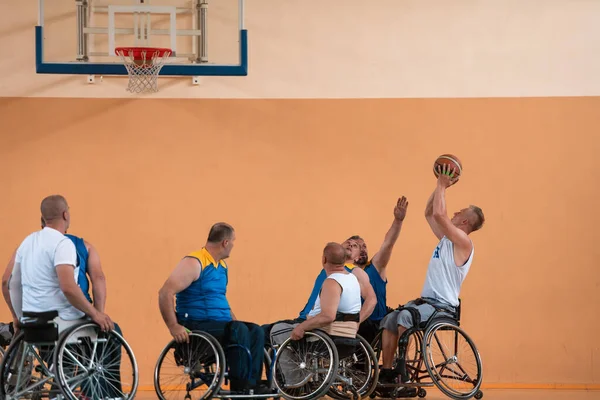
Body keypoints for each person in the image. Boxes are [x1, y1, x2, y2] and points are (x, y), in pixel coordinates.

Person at [379, 164, 485, 388]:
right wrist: (439, 184)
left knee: (406, 317)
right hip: (426, 303)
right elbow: (429, 213)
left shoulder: (464, 243)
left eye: (459, 213)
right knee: (390, 318)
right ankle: (387, 373)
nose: (454, 213)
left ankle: (402, 371)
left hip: (443, 306)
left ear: (465, 222)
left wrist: (442, 184)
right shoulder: (447, 241)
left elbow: (440, 213)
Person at [158, 222, 270, 394]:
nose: (233, 246)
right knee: (238, 329)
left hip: (220, 325)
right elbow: (165, 293)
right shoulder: (194, 262)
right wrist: (173, 326)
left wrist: (235, 321)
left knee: (255, 330)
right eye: (233, 242)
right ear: (225, 242)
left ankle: (252, 384)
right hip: (196, 323)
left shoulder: (222, 267)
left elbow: (220, 300)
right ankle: (240, 385)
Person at [297, 196, 409, 344]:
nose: (361, 248)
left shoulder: (374, 267)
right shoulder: (332, 269)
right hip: (336, 321)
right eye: (353, 244)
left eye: (362, 246)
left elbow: (388, 244)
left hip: (369, 323)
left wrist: (398, 221)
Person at [269, 242, 363, 385]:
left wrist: (302, 327)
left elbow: (328, 316)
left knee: (276, 331)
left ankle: (294, 381)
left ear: (324, 259)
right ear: (344, 260)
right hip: (348, 337)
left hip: (325, 337)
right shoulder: (353, 279)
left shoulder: (332, 282)